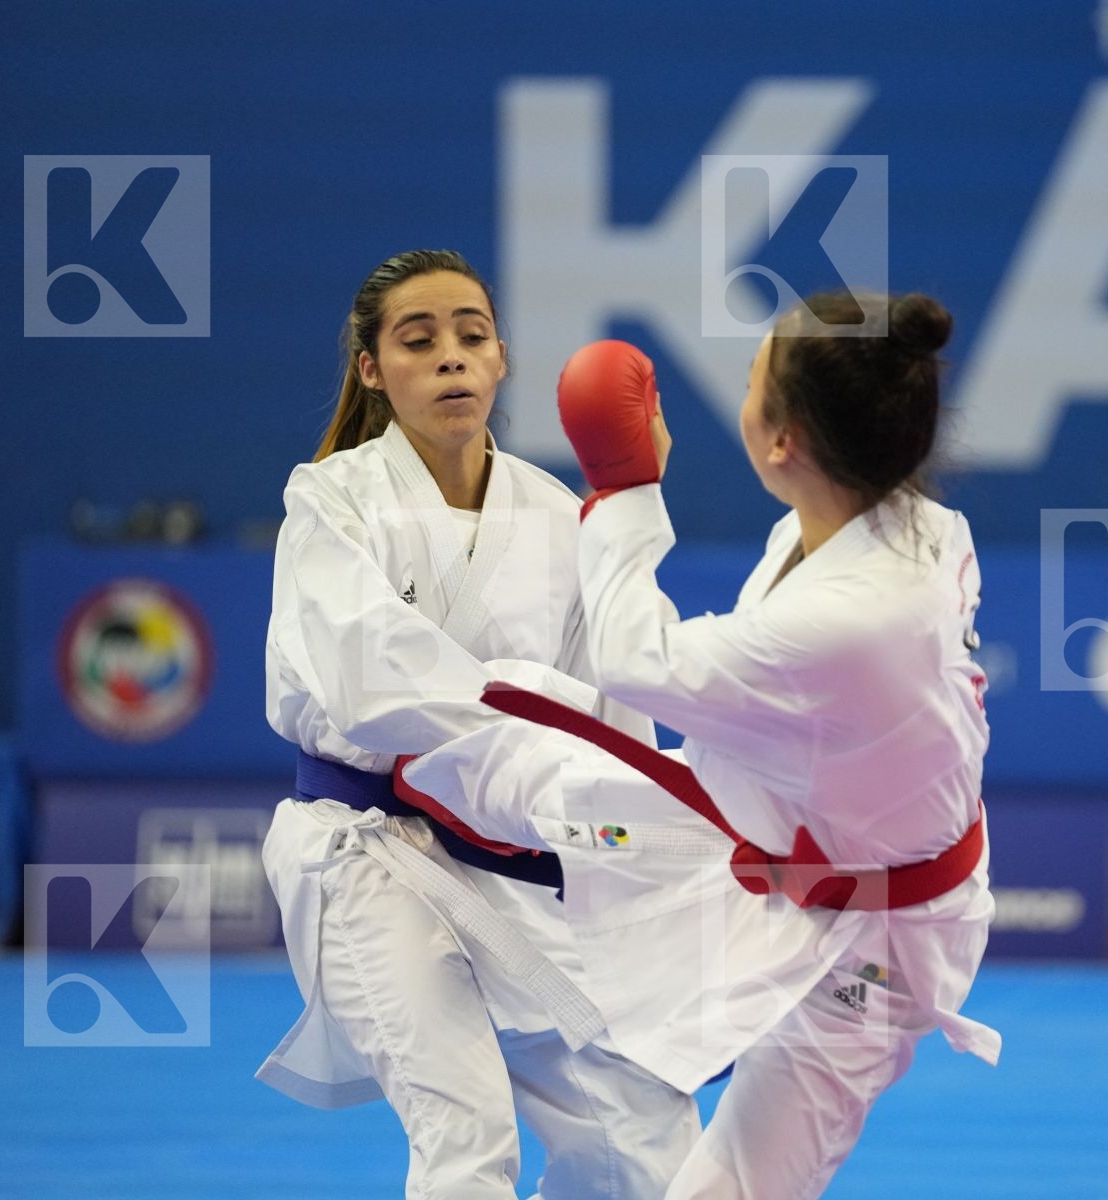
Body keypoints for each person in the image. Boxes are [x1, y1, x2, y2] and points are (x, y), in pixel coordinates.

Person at [402, 291, 1001, 1198]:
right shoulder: (900, 525)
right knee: (559, 762)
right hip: (803, 850)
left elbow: (638, 664)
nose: (740, 390)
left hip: (871, 947)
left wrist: (624, 485)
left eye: (754, 377)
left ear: (781, 442)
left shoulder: (854, 617)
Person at [254, 249, 698, 1199]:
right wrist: (537, 711)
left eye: (471, 335)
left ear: (501, 359)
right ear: (373, 370)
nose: (451, 356)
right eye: (419, 340)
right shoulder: (330, 501)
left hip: (512, 855)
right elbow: (370, 681)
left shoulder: (553, 514)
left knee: (640, 1128)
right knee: (467, 1132)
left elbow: (609, 715)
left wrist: (643, 843)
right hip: (366, 849)